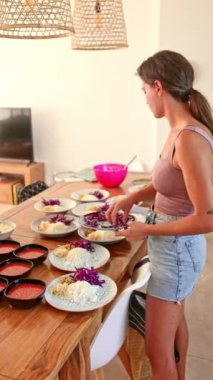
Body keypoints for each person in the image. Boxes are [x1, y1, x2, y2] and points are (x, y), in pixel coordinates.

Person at [106, 50, 213, 380]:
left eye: (143, 91)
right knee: (175, 327)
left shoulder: (189, 139)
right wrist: (134, 196)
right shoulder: (178, 130)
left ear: (157, 87)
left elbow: (207, 217)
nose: (144, 99)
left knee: (157, 353)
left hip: (178, 255)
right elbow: (170, 185)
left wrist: (145, 231)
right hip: (174, 252)